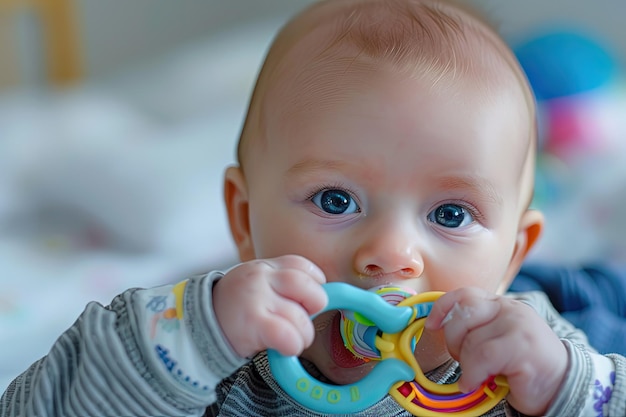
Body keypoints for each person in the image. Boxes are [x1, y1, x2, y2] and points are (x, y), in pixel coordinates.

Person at [2, 0, 624, 415]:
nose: (388, 254)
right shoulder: (209, 356)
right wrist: (188, 340)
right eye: (336, 199)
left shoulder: (525, 359)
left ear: (515, 252)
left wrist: (564, 386)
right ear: (244, 221)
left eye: (451, 214)